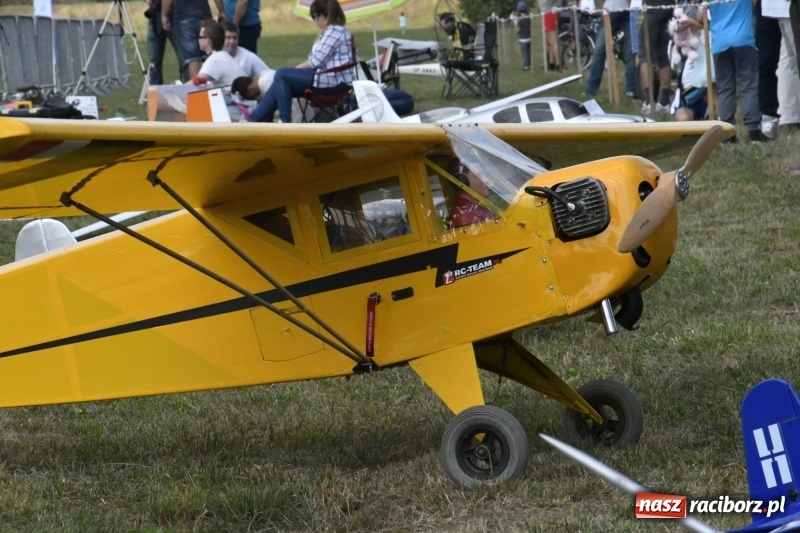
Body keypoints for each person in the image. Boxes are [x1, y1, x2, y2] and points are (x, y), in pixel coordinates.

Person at [248, 0, 355, 123]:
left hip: (332, 82)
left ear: (320, 16)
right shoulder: (339, 31)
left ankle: (280, 122)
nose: (315, 22)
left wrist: (295, 70)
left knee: (282, 75)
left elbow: (315, 61)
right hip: (332, 80)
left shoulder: (333, 32)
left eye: (314, 18)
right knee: (281, 78)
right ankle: (256, 119)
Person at [699, 0, 767, 142]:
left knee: (725, 88)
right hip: (743, 40)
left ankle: (727, 132)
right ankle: (753, 130)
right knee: (748, 86)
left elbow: (700, 16)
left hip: (720, 43)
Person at [162, 0, 224, 81]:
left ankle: (198, 90)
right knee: (211, 53)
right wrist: (221, 10)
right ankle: (216, 87)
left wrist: (163, 15)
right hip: (204, 15)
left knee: (192, 59)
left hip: (184, 17)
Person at [585, 0, 635, 98]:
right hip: (610, 11)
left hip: (627, 11)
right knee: (599, 51)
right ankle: (591, 88)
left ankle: (631, 89)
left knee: (630, 51)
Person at [638, 0, 673, 114]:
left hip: (652, 7)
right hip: (669, 7)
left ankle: (649, 101)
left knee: (645, 54)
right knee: (663, 54)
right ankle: (664, 101)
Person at [192, 19, 247, 86]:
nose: (198, 40)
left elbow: (195, 84)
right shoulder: (222, 55)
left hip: (235, 96)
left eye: (200, 37)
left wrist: (176, 90)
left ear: (208, 40)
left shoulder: (215, 59)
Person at [447, 158, 497, 228]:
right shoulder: (463, 215)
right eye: (479, 176)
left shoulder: (480, 209)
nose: (486, 181)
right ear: (462, 180)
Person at [144, 0, 182, 84]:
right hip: (154, 16)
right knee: (154, 62)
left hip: (175, 14)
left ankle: (189, 90)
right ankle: (156, 92)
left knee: (184, 58)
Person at [538, 0, 561, 71]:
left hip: (550, 13)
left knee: (553, 41)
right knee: (549, 42)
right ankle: (551, 62)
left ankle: (558, 63)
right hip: (546, 13)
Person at [514, 2, 532, 71]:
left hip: (522, 39)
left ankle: (526, 66)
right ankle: (530, 64)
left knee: (524, 53)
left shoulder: (520, 20)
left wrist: (516, 23)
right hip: (529, 37)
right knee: (528, 52)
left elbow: (517, 30)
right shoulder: (528, 18)